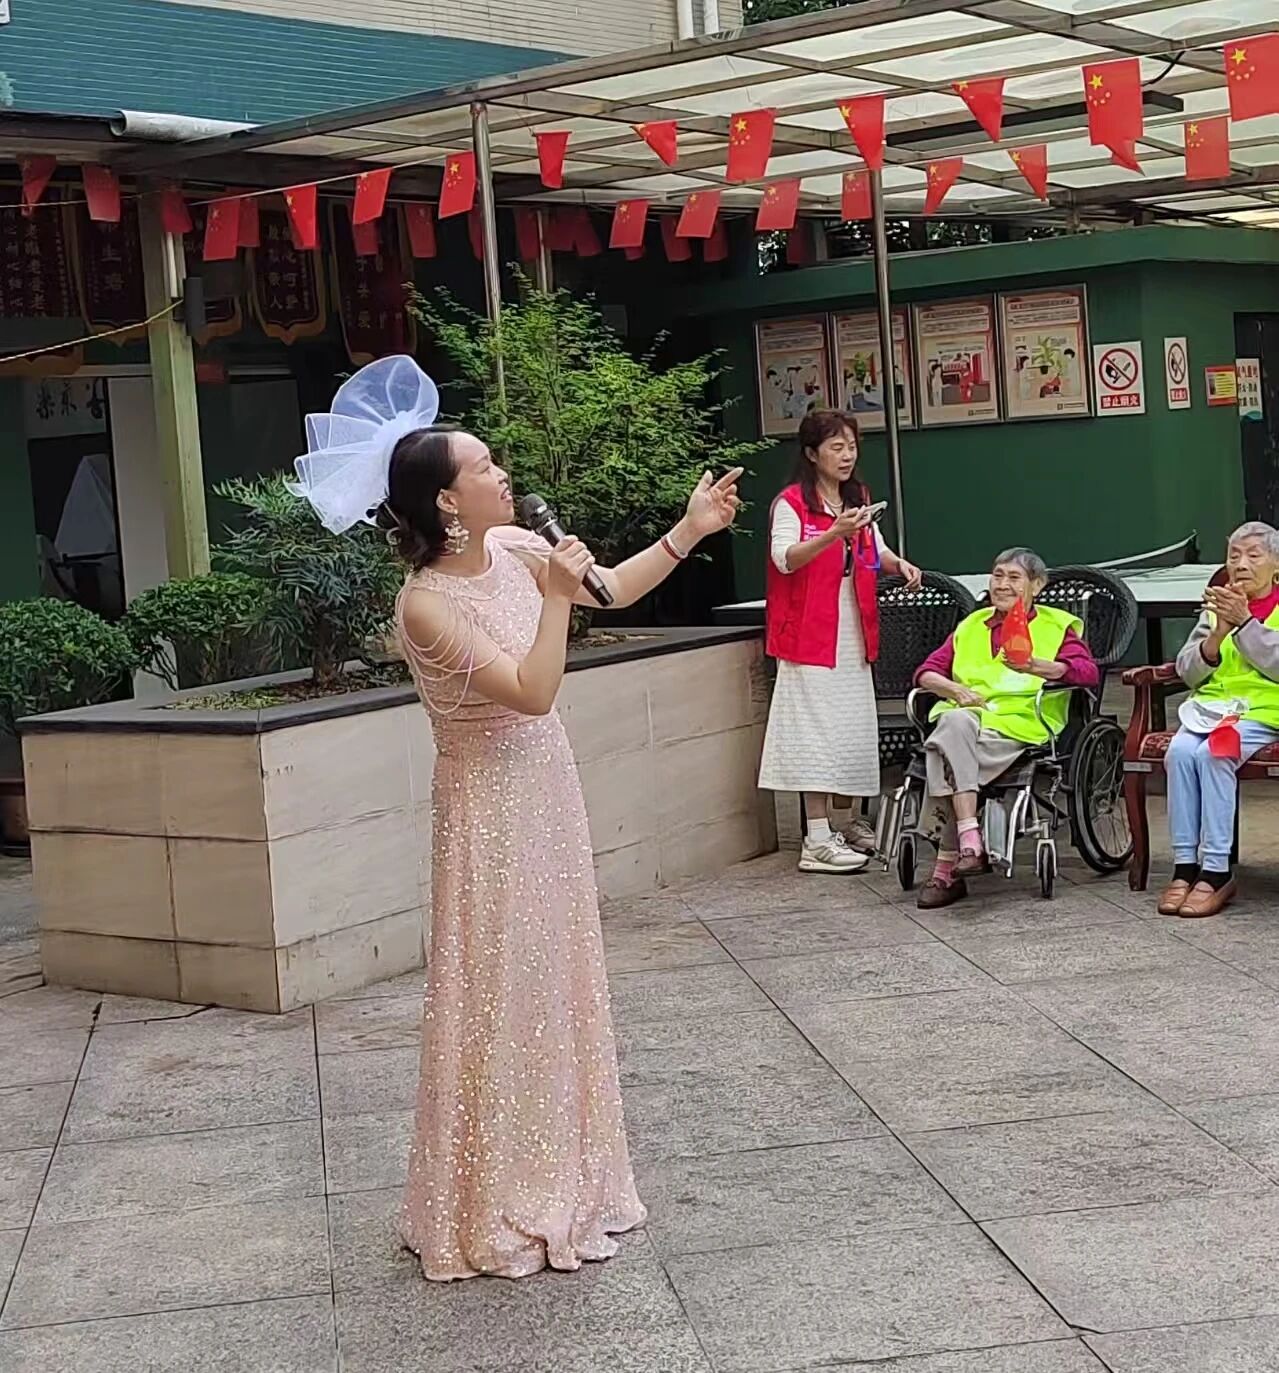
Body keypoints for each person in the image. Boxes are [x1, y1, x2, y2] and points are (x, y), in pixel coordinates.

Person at [288, 356, 742, 1282]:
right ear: (446, 502)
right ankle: (492, 1192)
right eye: (484, 466)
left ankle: (569, 1172)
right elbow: (532, 690)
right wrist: (553, 599)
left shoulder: (516, 547)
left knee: (557, 977)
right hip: (488, 807)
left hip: (547, 789)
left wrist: (688, 530)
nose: (503, 475)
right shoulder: (424, 605)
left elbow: (610, 587)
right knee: (501, 987)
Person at [759, 409, 921, 873]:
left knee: (851, 729)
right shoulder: (791, 503)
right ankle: (815, 838)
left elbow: (876, 549)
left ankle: (846, 823)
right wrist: (833, 533)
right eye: (836, 447)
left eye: (851, 446)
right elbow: (784, 559)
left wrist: (898, 564)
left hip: (852, 630)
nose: (847, 455)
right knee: (816, 733)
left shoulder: (857, 497)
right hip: (808, 634)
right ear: (812, 454)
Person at [913, 547, 1098, 910]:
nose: (1002, 584)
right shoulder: (971, 625)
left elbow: (1087, 673)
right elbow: (926, 671)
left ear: (1037, 585)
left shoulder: (1055, 626)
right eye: (998, 575)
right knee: (953, 725)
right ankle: (970, 842)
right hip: (968, 720)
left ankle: (946, 868)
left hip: (1019, 726)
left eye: (1014, 577)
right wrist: (954, 690)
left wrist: (1038, 666)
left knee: (943, 751)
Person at [1157, 521, 1279, 919]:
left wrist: (1245, 625)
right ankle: (1184, 867)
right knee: (1179, 753)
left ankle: (1216, 870)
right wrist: (1215, 637)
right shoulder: (1217, 608)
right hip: (1210, 709)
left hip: (1263, 712)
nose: (1241, 564)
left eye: (1253, 555)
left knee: (1214, 754)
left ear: (1276, 565)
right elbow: (1186, 670)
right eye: (1234, 556)